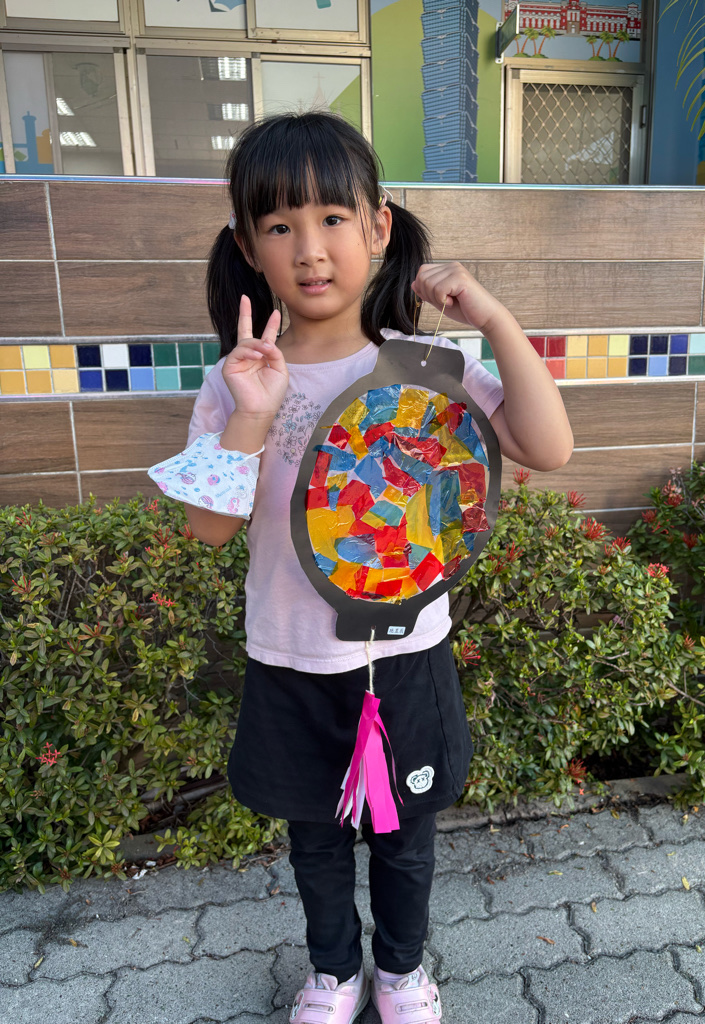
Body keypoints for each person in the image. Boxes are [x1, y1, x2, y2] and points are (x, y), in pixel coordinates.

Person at [152, 111, 573, 1024]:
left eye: (333, 218)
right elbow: (206, 529)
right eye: (279, 225)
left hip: (404, 659)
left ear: (378, 227)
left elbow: (548, 446)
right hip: (290, 660)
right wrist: (253, 411)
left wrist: (494, 319)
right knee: (313, 843)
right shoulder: (233, 382)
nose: (310, 249)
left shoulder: (426, 370)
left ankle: (402, 972)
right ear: (248, 247)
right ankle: (334, 974)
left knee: (404, 839)